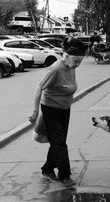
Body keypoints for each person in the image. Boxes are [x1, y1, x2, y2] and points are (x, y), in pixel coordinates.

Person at [28, 37, 86, 187]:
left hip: (65, 109)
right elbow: (39, 87)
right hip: (51, 109)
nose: (77, 65)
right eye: (76, 61)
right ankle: (65, 176)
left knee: (58, 142)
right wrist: (35, 111)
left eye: (80, 62)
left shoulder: (70, 66)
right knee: (59, 143)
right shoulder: (55, 68)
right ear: (66, 56)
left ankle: (47, 169)